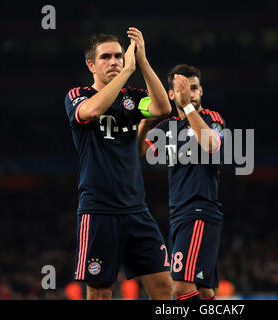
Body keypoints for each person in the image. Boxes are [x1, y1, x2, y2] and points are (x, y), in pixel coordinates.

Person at [64, 28, 172, 300]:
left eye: (118, 56)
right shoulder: (78, 94)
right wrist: (125, 72)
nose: (114, 61)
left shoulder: (133, 99)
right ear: (91, 64)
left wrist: (143, 62)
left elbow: (163, 108)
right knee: (101, 292)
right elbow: (92, 111)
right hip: (99, 211)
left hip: (137, 210)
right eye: (106, 57)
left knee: (164, 288)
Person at [138, 64, 226, 300]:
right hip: (179, 213)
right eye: (183, 89)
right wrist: (146, 122)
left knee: (179, 288)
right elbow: (138, 152)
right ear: (171, 94)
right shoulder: (166, 127)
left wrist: (187, 106)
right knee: (204, 290)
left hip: (200, 209)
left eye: (194, 88)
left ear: (201, 91)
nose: (191, 93)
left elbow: (211, 146)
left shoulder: (212, 119)